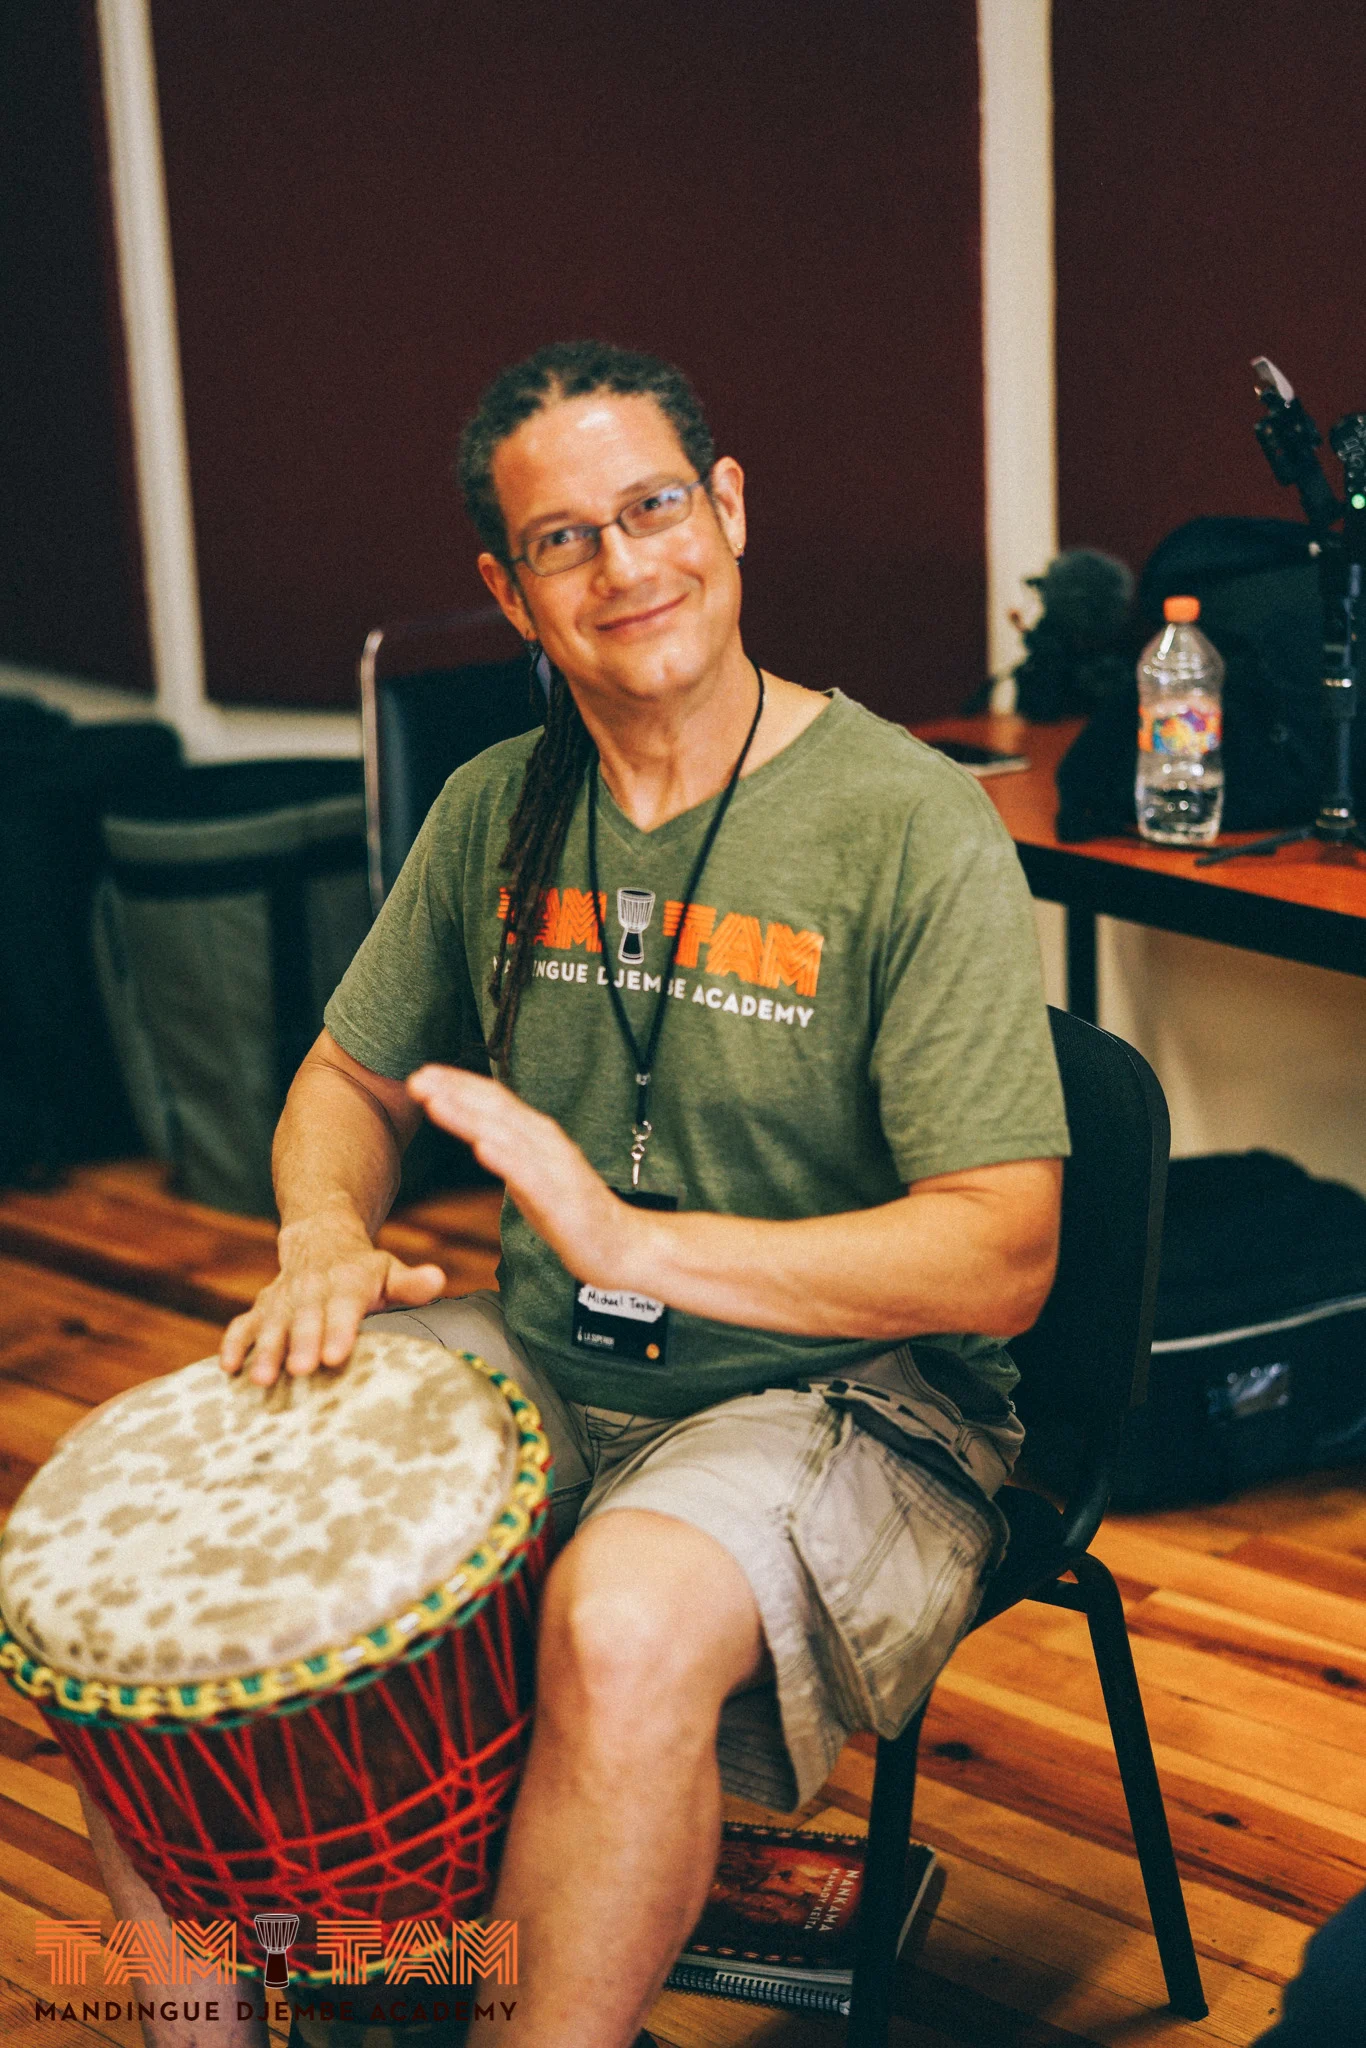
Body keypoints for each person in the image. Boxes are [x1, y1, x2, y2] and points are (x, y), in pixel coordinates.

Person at [85, 340, 1069, 2048]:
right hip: (552, 1356)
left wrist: (631, 1242)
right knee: (135, 1592)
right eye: (565, 541)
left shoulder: (909, 822)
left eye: (653, 508)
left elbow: (1000, 1255)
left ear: (729, 507)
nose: (625, 569)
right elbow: (345, 1081)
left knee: (613, 1618)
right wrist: (323, 1233)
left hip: (848, 1396)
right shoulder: (494, 810)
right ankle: (232, 2021)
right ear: (509, 585)